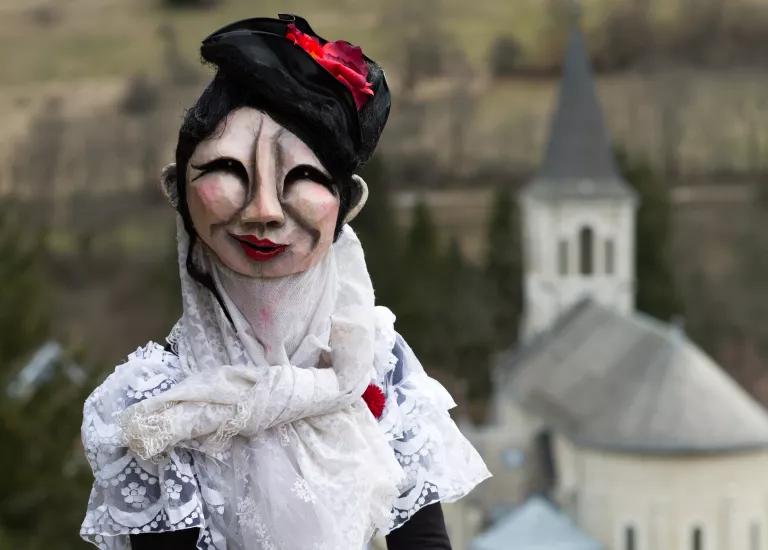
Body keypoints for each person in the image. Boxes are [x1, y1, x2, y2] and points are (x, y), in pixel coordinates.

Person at [79, 14, 490, 550]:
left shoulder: (374, 364)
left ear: (348, 205)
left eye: (302, 179)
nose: (264, 212)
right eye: (230, 174)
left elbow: (423, 541)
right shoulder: (158, 404)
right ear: (178, 190)